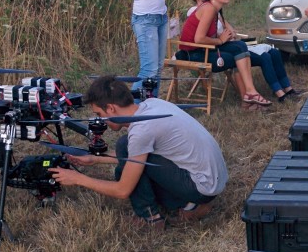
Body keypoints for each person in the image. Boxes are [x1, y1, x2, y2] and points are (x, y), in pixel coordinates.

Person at [48, 76, 227, 229]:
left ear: (111, 108)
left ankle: (151, 219)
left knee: (124, 156)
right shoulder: (152, 104)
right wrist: (94, 159)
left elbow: (122, 190)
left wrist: (77, 179)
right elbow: (137, 155)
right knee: (125, 154)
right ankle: (191, 204)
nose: (100, 120)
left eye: (99, 113)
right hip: (212, 178)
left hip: (201, 186)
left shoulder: (142, 130)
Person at [180, 0, 272, 106]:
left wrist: (225, 36)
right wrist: (220, 40)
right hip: (193, 53)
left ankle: (250, 93)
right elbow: (199, 39)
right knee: (235, 56)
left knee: (240, 45)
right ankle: (248, 98)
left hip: (204, 49)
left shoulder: (215, 10)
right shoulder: (208, 9)